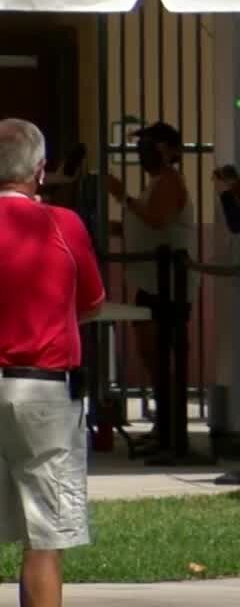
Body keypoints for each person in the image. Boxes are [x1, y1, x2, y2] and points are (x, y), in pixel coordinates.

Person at [0, 118, 105, 607]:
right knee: (44, 536)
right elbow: (93, 301)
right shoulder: (62, 225)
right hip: (43, 387)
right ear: (40, 171)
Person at [104, 121, 195, 455]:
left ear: (170, 150)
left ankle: (172, 432)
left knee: (163, 355)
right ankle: (163, 426)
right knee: (151, 355)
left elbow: (156, 218)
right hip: (150, 281)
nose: (145, 152)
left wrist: (121, 196)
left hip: (168, 283)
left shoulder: (170, 181)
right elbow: (145, 222)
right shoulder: (155, 183)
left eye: (152, 145)